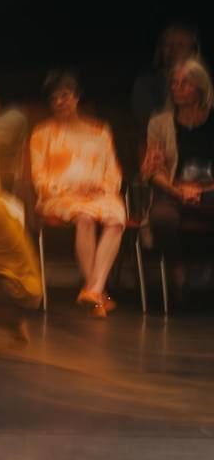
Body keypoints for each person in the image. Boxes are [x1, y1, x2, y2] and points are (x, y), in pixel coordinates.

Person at [26, 69, 126, 316]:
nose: (60, 102)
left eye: (65, 96)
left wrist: (102, 188)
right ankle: (98, 293)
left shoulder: (99, 131)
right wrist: (71, 187)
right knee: (85, 217)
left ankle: (93, 289)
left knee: (116, 217)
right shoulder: (42, 133)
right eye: (54, 98)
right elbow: (39, 178)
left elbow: (113, 171)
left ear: (76, 97)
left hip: (97, 194)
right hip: (59, 197)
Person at [141, 56, 214, 286]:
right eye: (174, 83)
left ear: (200, 87)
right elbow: (154, 170)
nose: (177, 88)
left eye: (185, 83)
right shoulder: (159, 122)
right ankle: (177, 271)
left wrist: (204, 190)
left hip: (211, 189)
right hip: (174, 189)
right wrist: (178, 191)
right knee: (161, 217)